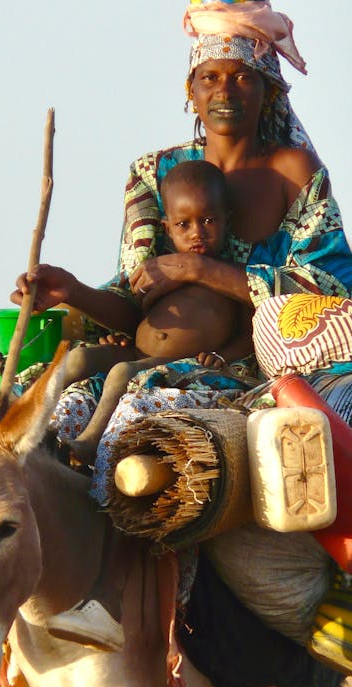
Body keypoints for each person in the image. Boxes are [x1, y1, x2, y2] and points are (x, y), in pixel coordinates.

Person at [10, 2, 352, 648]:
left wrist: (198, 273)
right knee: (50, 417)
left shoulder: (296, 177)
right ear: (189, 92)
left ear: (269, 87)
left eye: (244, 77)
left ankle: (134, 605)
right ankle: (36, 598)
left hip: (244, 364)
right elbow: (137, 294)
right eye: (211, 78)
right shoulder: (154, 175)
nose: (227, 91)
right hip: (145, 352)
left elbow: (326, 288)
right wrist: (74, 292)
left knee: (144, 431)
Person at [64, 159, 253, 466]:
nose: (197, 234)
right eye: (184, 224)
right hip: (137, 352)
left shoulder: (229, 277)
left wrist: (223, 357)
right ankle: (22, 413)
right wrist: (119, 337)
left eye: (208, 221)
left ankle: (89, 441)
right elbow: (135, 314)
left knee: (122, 374)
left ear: (226, 221)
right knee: (79, 359)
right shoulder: (161, 272)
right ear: (167, 228)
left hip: (183, 366)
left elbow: (249, 331)